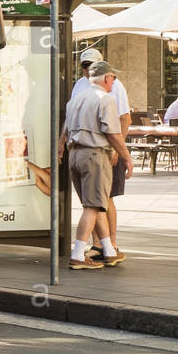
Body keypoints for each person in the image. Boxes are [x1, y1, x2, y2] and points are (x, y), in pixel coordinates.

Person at [61, 59, 130, 269]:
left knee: (95, 204)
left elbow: (65, 131)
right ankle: (78, 254)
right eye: (113, 78)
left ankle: (109, 250)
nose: (114, 82)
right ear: (107, 78)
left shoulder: (75, 100)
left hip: (75, 155)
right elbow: (113, 134)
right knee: (92, 207)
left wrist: (59, 148)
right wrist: (127, 157)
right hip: (94, 155)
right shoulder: (105, 99)